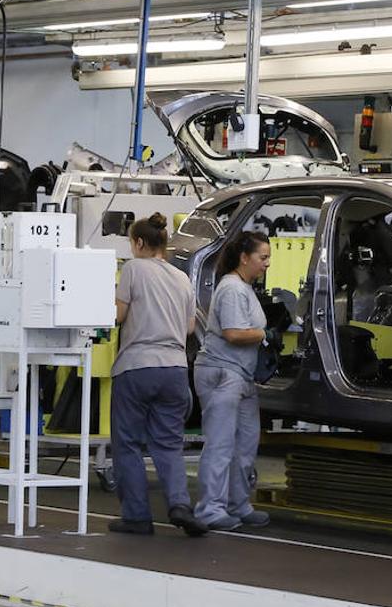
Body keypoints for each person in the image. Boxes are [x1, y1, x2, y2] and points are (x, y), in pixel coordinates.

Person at [107, 214, 206, 537]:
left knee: (128, 444)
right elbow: (189, 327)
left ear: (138, 242)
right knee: (168, 444)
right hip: (175, 369)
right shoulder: (182, 278)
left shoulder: (133, 269)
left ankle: (137, 516)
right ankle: (180, 505)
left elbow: (119, 315)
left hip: (137, 366)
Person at [194, 230, 273, 531]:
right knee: (221, 444)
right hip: (222, 373)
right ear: (244, 258)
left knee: (245, 445)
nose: (267, 263)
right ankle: (210, 509)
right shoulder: (232, 289)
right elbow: (234, 333)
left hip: (242, 375)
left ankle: (238, 504)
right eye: (263, 257)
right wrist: (265, 334)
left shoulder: (245, 288)